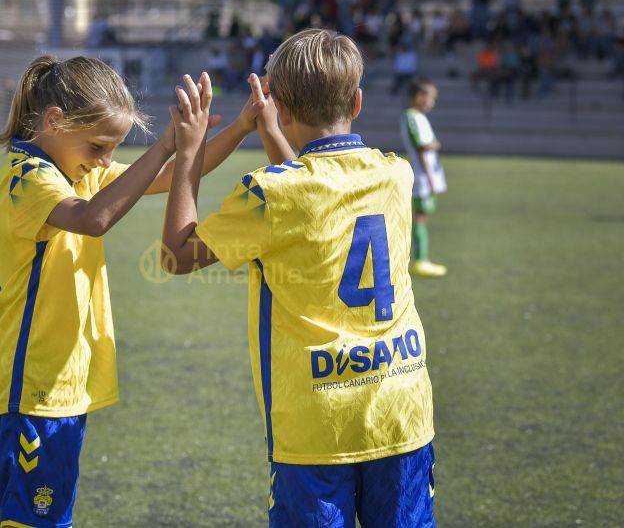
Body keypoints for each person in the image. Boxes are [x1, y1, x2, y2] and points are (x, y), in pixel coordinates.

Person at [0, 55, 271, 528]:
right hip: (28, 382)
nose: (105, 160)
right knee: (34, 519)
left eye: (112, 149)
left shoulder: (79, 171)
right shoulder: (26, 178)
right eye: (98, 146)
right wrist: (166, 144)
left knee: (46, 517)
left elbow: (166, 178)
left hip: (60, 380)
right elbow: (93, 219)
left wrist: (239, 127)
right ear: (54, 121)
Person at [161, 29, 436, 527]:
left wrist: (188, 152)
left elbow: (176, 255)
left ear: (282, 109)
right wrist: (272, 131)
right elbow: (314, 195)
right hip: (400, 407)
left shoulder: (269, 194)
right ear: (357, 101)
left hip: (316, 423)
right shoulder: (395, 173)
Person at [401, 77, 448, 277]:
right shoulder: (411, 116)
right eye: (431, 98)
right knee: (420, 217)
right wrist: (429, 177)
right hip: (423, 175)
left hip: (429, 173)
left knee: (423, 216)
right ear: (420, 96)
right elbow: (421, 146)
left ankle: (422, 259)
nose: (432, 102)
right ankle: (420, 260)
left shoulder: (419, 116)